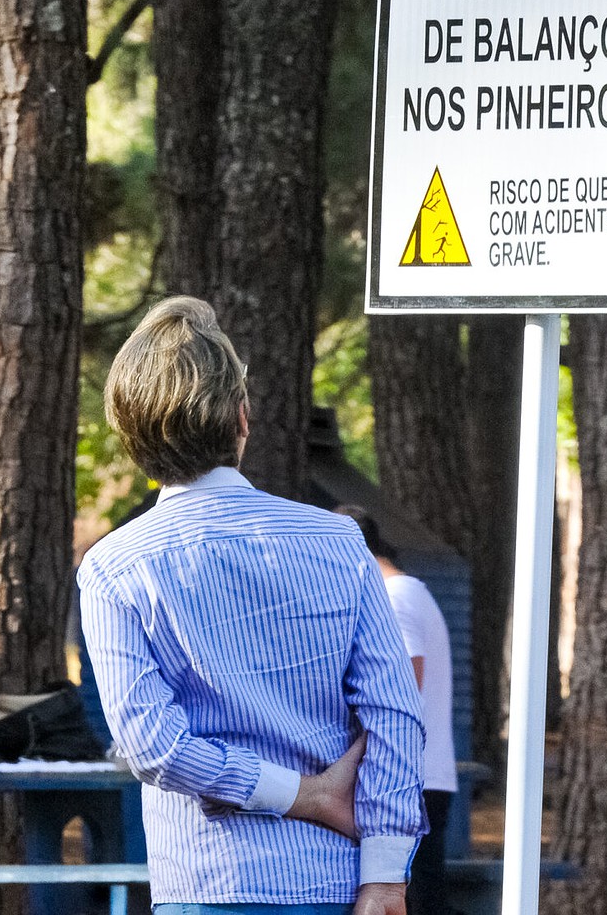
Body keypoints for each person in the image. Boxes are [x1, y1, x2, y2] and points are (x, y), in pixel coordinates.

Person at [78, 297, 426, 915]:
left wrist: (301, 794)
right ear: (242, 417)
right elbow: (395, 714)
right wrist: (385, 875)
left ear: (130, 435)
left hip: (208, 881)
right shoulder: (340, 542)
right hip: (339, 880)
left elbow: (153, 745)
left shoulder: (115, 568)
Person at [334, 506, 457, 915]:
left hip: (410, 776)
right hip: (423, 773)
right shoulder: (413, 591)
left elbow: (403, 690)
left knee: (415, 899)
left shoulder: (395, 597)